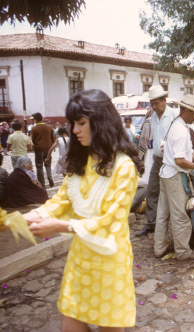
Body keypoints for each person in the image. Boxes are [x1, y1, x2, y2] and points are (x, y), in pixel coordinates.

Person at [23, 89, 144, 331]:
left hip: (111, 261)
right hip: (80, 258)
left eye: (81, 123)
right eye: (73, 123)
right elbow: (60, 201)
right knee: (70, 324)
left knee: (110, 327)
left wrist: (60, 226)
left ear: (101, 122)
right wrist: (21, 219)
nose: (74, 130)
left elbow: (111, 221)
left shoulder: (123, 168)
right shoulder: (81, 161)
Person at [154, 94, 194, 260]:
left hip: (165, 173)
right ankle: (183, 252)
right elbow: (180, 160)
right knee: (180, 216)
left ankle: (159, 248)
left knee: (163, 213)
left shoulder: (175, 124)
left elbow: (188, 152)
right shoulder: (182, 130)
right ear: (188, 112)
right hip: (174, 175)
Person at [136, 86, 179, 237]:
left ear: (164, 100)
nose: (154, 107)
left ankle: (177, 226)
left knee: (175, 193)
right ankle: (151, 224)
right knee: (151, 190)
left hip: (173, 161)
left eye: (156, 103)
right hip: (158, 159)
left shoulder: (174, 115)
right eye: (152, 104)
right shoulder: (152, 118)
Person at [31, 112, 55, 188]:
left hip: (39, 149)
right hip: (48, 149)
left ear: (35, 119)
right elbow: (53, 139)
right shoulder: (49, 127)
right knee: (48, 165)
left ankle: (42, 184)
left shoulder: (34, 128)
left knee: (39, 167)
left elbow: (33, 140)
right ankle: (50, 177)